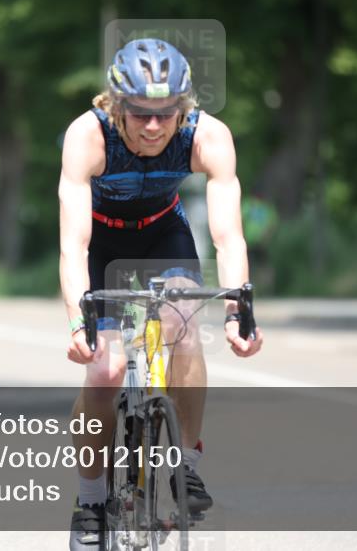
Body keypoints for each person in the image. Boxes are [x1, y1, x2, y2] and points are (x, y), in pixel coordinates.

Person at [59, 38, 264, 549]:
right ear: (116, 104)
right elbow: (73, 245)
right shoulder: (88, 136)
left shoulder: (207, 137)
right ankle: (89, 502)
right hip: (101, 241)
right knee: (105, 371)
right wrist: (77, 323)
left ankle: (184, 468)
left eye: (166, 113)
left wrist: (241, 311)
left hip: (161, 232)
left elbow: (227, 236)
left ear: (184, 107)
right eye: (141, 114)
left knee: (184, 328)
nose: (154, 127)